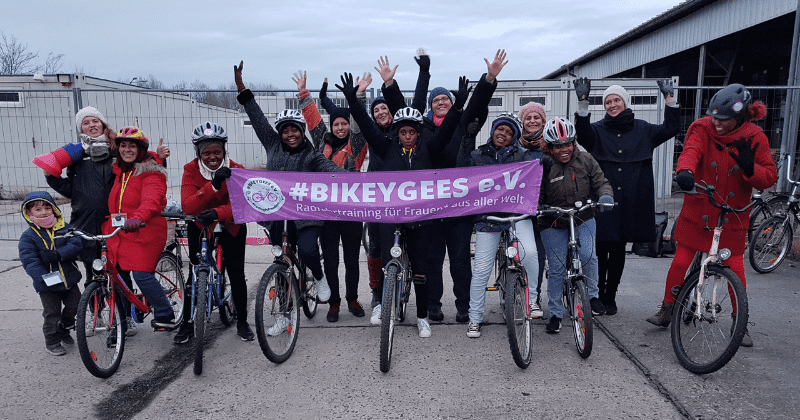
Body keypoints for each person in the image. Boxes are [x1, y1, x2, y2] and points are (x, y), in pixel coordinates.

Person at [378, 49, 507, 322]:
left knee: (460, 259)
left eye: (444, 99)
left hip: (459, 202)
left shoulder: (461, 123)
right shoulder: (422, 129)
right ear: (431, 106)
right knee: (432, 260)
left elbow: (476, 105)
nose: (440, 102)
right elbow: (402, 108)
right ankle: (433, 305)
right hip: (430, 204)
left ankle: (464, 306)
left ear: (451, 103)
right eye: (435, 100)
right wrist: (389, 85)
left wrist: (489, 79)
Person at [337, 71, 467, 337]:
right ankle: (384, 305)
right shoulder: (387, 148)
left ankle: (421, 317)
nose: (407, 136)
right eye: (403, 132)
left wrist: (459, 107)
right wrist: (353, 102)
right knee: (388, 264)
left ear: (419, 133)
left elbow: (448, 131)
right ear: (397, 133)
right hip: (392, 219)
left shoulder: (428, 149)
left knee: (421, 270)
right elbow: (368, 126)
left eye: (412, 132)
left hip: (421, 221)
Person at [646, 84, 777, 347]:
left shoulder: (755, 136)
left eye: (723, 119)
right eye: (714, 117)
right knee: (681, 261)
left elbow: (769, 177)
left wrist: (751, 169)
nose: (717, 124)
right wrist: (685, 171)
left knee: (736, 268)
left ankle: (740, 322)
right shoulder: (702, 128)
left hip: (732, 215)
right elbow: (691, 151)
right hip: (700, 209)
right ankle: (667, 309)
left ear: (739, 117)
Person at [44, 106, 171, 336]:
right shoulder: (80, 156)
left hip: (129, 226)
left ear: (104, 125)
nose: (91, 125)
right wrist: (51, 176)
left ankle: (144, 316)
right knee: (102, 273)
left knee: (135, 274)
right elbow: (73, 190)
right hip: (93, 223)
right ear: (80, 128)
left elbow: (148, 181)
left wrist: (159, 159)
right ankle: (106, 315)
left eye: (95, 121)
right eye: (85, 122)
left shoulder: (119, 156)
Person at [234, 61, 344, 325]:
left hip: (306, 216)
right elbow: (258, 118)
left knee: (306, 250)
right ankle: (283, 316)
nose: (290, 134)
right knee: (281, 263)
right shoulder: (272, 145)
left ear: (301, 131)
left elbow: (332, 170)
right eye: (285, 130)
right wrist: (242, 89)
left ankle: (318, 278)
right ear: (280, 133)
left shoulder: (312, 154)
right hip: (277, 216)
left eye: (295, 129)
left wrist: (355, 180)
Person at [572, 78, 681, 316]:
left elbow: (671, 129)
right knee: (599, 248)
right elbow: (582, 135)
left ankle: (610, 297)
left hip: (632, 197)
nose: (612, 105)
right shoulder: (598, 130)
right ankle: (595, 294)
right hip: (604, 198)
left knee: (619, 248)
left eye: (616, 100)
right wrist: (583, 102)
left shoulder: (644, 129)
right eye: (608, 101)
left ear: (625, 102)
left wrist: (669, 98)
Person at [457, 114, 543, 338]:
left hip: (516, 215)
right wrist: (467, 139)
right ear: (493, 131)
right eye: (500, 129)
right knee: (482, 270)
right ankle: (475, 318)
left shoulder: (522, 155)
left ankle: (532, 300)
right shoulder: (477, 155)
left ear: (514, 137)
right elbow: (461, 170)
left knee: (530, 253)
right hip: (489, 219)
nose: (503, 134)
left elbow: (538, 172)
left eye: (508, 132)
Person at [294, 71, 369, 322]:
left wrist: (359, 95)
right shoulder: (321, 143)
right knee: (331, 260)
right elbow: (313, 119)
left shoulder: (356, 145)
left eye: (344, 124)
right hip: (326, 212)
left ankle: (352, 299)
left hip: (351, 212)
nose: (340, 128)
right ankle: (334, 303)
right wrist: (304, 93)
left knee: (351, 259)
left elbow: (360, 120)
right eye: (336, 124)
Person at [175, 121, 254, 343]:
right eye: (206, 152)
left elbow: (243, 205)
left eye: (217, 152)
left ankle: (242, 321)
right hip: (200, 225)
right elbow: (188, 206)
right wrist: (213, 186)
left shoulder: (236, 168)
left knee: (237, 274)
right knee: (194, 274)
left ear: (224, 150)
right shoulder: (190, 169)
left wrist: (217, 213)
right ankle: (187, 324)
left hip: (231, 224)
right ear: (198, 153)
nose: (212, 157)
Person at [538, 117, 613, 333]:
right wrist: (539, 207)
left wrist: (605, 196)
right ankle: (555, 313)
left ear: (574, 142)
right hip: (553, 220)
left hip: (582, 216)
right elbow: (537, 193)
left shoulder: (586, 159)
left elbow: (601, 182)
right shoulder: (544, 164)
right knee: (557, 268)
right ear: (550, 147)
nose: (564, 149)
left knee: (589, 255)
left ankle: (592, 296)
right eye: (558, 146)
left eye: (568, 144)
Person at [103, 127, 176, 329]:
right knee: (117, 274)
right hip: (121, 232)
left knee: (141, 274)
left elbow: (151, 201)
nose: (127, 150)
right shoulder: (119, 170)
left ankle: (165, 312)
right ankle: (122, 322)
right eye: (123, 146)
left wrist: (137, 218)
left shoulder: (152, 172)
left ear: (141, 149)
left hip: (145, 231)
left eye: (132, 146)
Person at [18, 192, 83, 356]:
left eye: (48, 208)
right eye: (38, 209)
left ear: (54, 210)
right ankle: (52, 341)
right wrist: (43, 278)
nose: (44, 212)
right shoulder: (28, 237)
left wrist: (60, 253)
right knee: (52, 313)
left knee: (75, 305)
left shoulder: (65, 228)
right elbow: (29, 261)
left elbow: (76, 243)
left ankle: (65, 327)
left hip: (69, 279)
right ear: (29, 214)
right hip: (47, 284)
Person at [516, 102, 549, 317]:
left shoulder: (553, 145)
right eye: (528, 118)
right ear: (522, 122)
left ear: (543, 121)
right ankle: (519, 293)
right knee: (525, 254)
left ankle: (534, 298)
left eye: (537, 117)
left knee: (539, 254)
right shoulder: (515, 146)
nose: (533, 121)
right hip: (522, 207)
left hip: (545, 208)